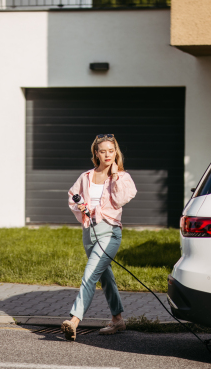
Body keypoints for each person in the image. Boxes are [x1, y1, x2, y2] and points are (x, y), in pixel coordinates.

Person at [61, 134, 137, 341]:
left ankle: (74, 320)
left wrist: (115, 175)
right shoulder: (86, 176)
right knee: (105, 277)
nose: (107, 155)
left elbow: (121, 199)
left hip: (110, 232)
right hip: (89, 231)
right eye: (103, 151)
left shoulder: (122, 177)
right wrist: (80, 205)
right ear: (96, 153)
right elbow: (72, 195)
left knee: (90, 274)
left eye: (111, 151)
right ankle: (118, 319)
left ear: (116, 153)